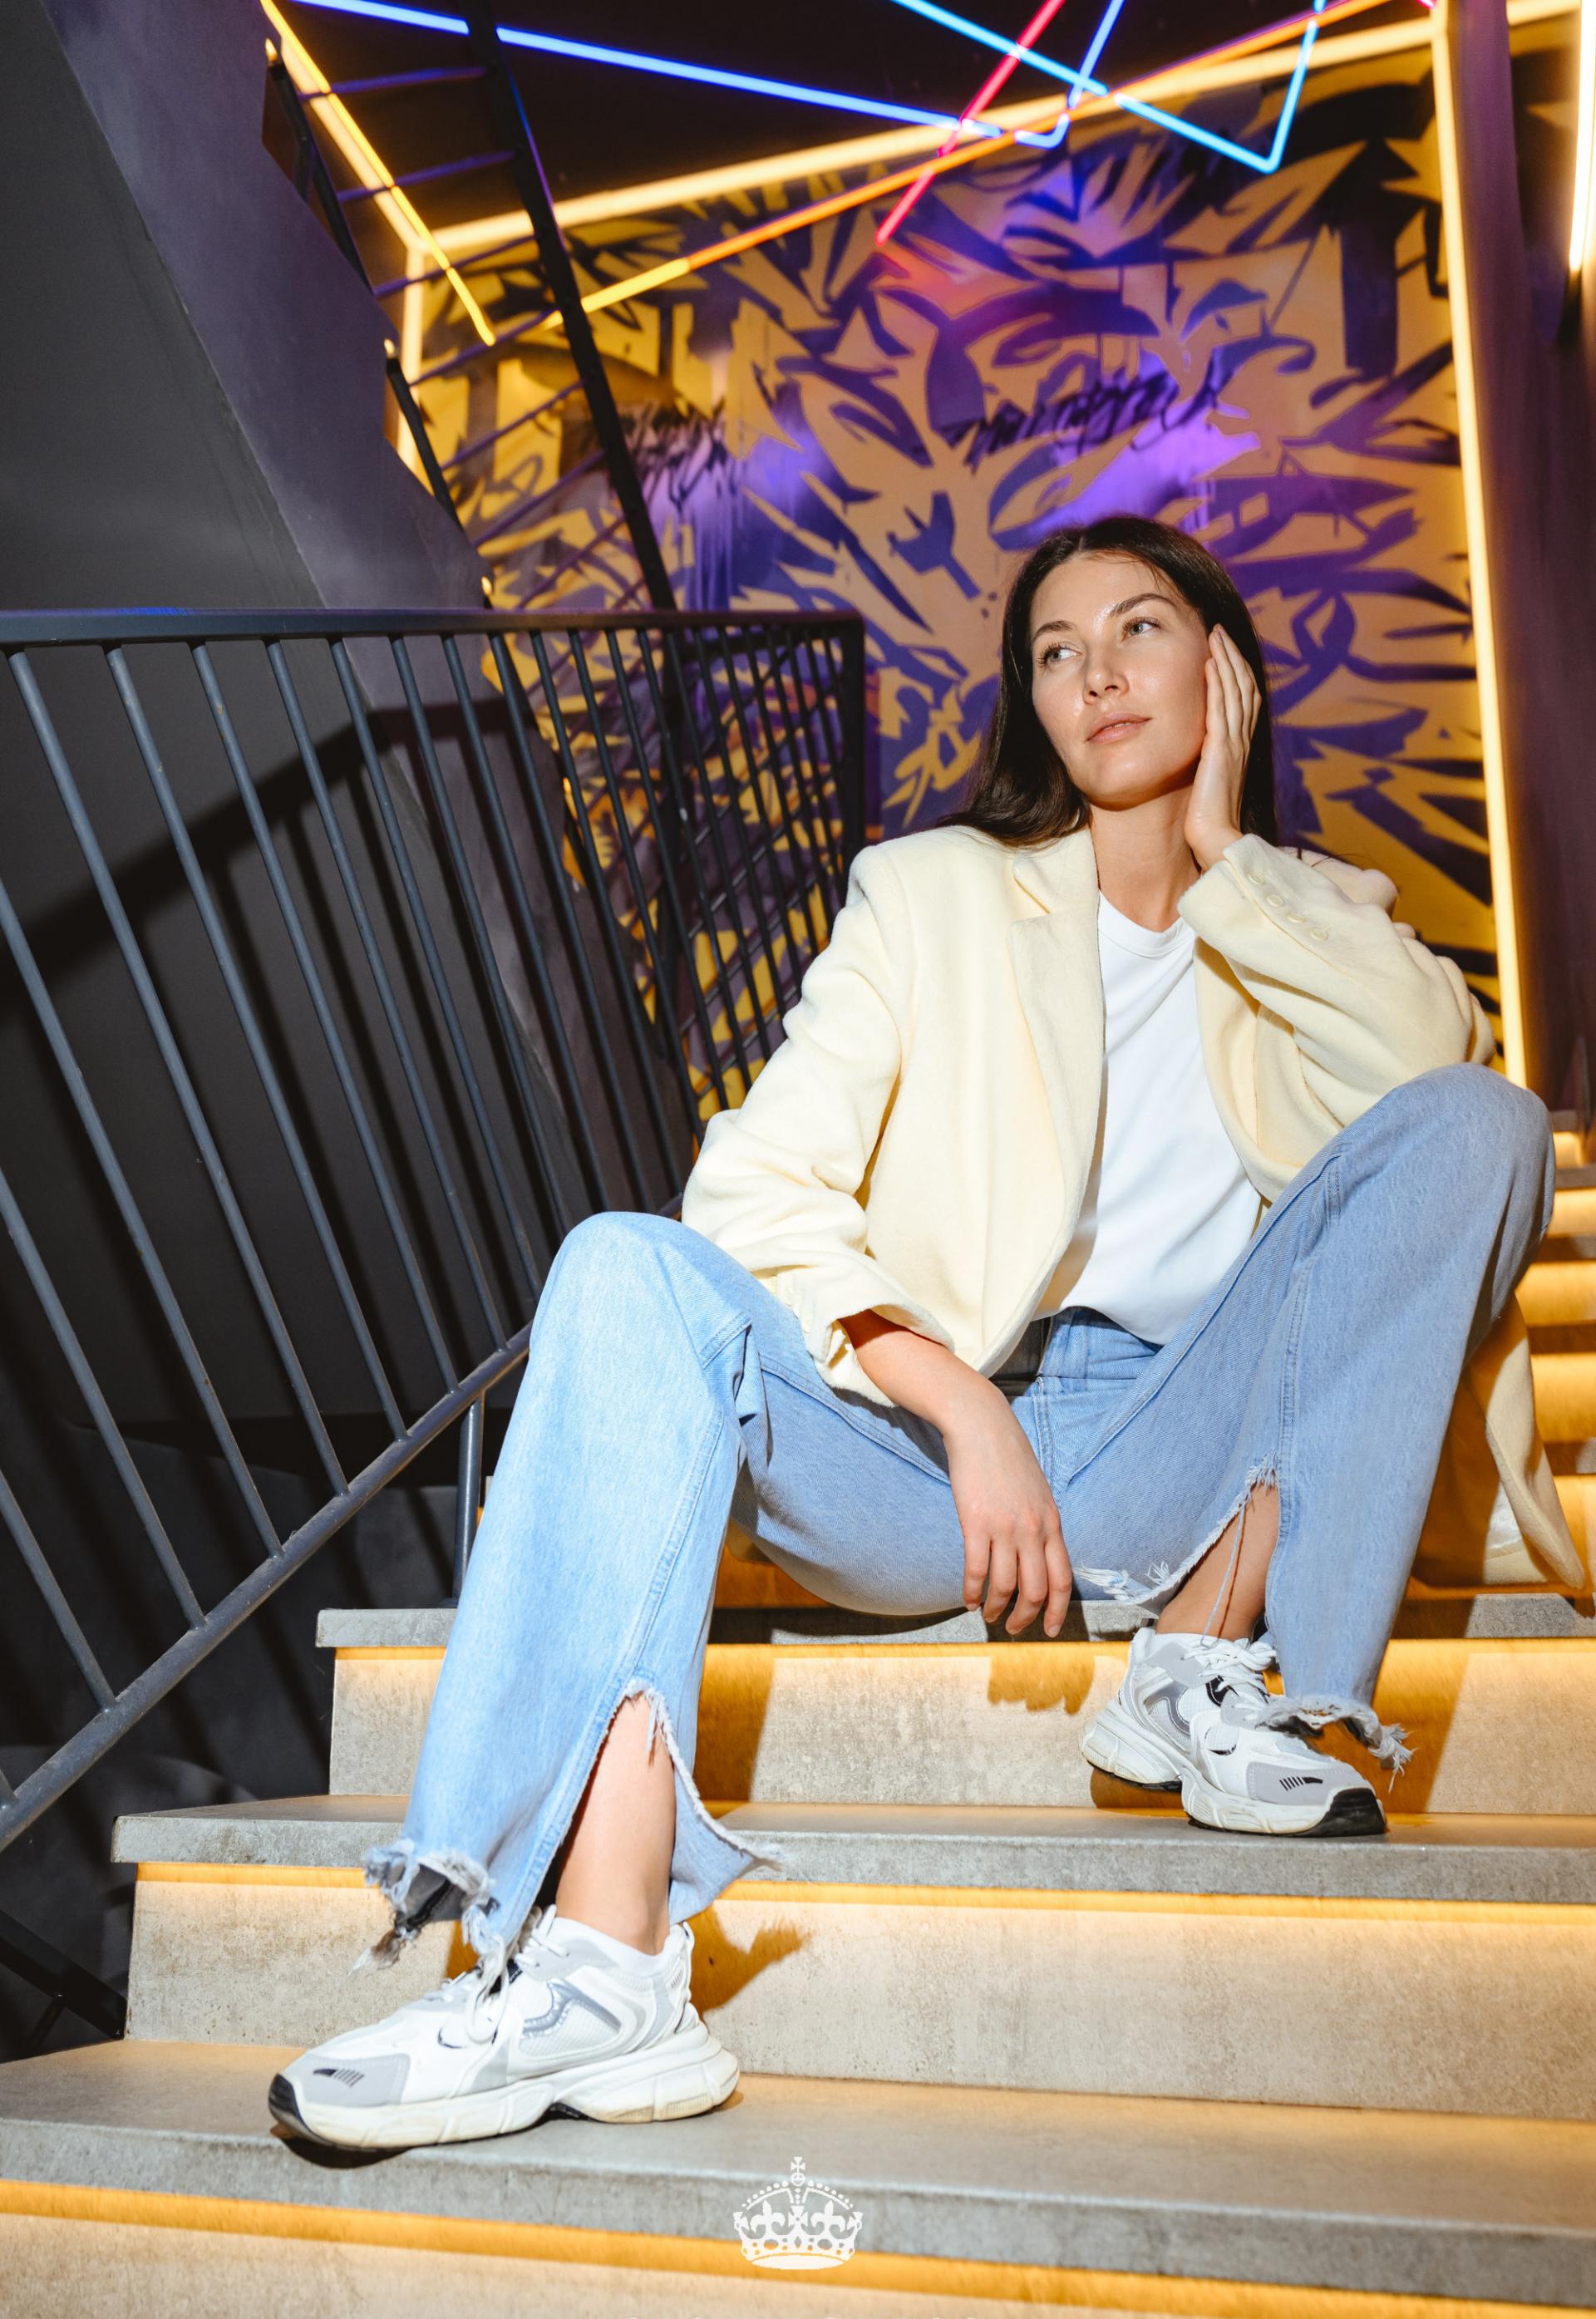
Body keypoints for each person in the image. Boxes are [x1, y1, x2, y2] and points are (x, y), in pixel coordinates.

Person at [269, 514, 1574, 2153]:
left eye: (1140, 628)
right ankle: (601, 1966)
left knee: (1482, 1124)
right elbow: (749, 1192)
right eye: (1055, 651)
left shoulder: (1311, 918)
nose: (1097, 675)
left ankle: (1207, 1661)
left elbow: (1440, 1097)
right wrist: (960, 1403)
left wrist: (1231, 859)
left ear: (1226, 670)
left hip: (1187, 1449)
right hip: (929, 1466)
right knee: (623, 1262)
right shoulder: (933, 894)